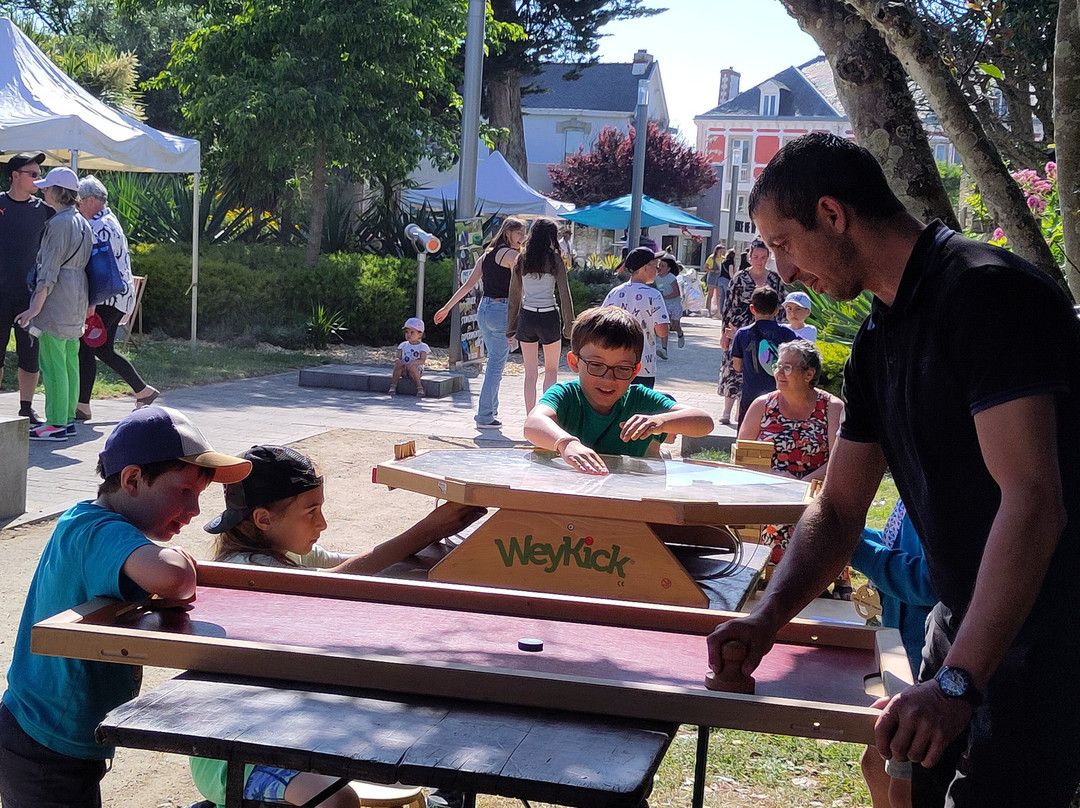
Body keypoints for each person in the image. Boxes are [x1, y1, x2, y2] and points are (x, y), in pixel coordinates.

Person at [707, 132, 1080, 808]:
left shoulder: (988, 294)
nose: (781, 271)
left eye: (784, 243)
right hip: (961, 619)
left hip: (1051, 638)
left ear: (832, 213)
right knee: (895, 778)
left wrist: (958, 684)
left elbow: (1033, 500)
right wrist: (767, 619)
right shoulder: (880, 335)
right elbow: (840, 508)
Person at [191, 444, 485, 807]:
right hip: (237, 751)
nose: (322, 523)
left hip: (285, 728)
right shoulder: (247, 570)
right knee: (337, 801)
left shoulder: (287, 553)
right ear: (263, 519)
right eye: (311, 511)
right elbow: (332, 584)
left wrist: (438, 554)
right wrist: (427, 530)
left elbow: (364, 566)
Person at [0, 405, 250, 807]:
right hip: (45, 744)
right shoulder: (97, 530)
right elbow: (173, 578)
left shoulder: (91, 524)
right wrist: (181, 562)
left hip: (52, 736)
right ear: (132, 479)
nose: (194, 510)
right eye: (184, 492)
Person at [524, 306, 713, 475]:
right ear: (574, 362)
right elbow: (533, 423)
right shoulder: (566, 395)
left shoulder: (641, 399)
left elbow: (704, 422)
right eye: (596, 365)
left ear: (635, 371)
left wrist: (661, 421)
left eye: (622, 369)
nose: (609, 378)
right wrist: (566, 444)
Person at [851, 500, 936, 808]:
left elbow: (930, 582)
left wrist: (859, 551)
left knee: (904, 792)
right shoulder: (913, 489)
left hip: (928, 670)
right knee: (875, 766)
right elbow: (894, 543)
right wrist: (849, 532)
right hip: (901, 662)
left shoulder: (942, 494)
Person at [737, 339, 843, 585]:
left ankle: (816, 583)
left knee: (821, 516)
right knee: (772, 517)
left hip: (817, 492)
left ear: (809, 374)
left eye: (787, 368)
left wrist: (803, 485)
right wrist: (777, 481)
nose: (778, 372)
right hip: (769, 493)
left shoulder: (832, 408)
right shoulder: (762, 405)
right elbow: (743, 458)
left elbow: (839, 460)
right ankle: (765, 577)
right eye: (778, 366)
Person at [15, 166, 93, 442]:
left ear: (60, 192)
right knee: (70, 360)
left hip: (57, 298)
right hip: (77, 294)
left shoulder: (59, 223)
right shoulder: (82, 221)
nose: (44, 191)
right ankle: (67, 419)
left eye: (48, 188)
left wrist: (35, 307)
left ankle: (56, 423)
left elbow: (48, 270)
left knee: (52, 363)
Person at [74, 175, 159, 421]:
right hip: (118, 298)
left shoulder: (98, 226)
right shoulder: (109, 220)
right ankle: (143, 390)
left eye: (79, 202)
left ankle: (83, 406)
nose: (76, 207)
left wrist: (91, 303)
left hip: (106, 298)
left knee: (85, 348)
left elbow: (98, 268)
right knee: (103, 349)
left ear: (91, 200)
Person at [433, 217, 526, 429]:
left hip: (484, 310)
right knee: (496, 365)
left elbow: (467, 286)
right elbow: (524, 285)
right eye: (519, 233)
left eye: (524, 233)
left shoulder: (486, 256)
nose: (522, 237)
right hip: (502, 310)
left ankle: (491, 411)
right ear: (508, 232)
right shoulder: (513, 256)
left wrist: (447, 307)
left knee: (495, 362)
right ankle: (485, 416)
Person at [1, 152, 51, 425]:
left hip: (29, 297)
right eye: (33, 174)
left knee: (30, 356)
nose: (38, 179)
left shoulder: (44, 209)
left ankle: (26, 408)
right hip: (0, 295)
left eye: (40, 175)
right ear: (15, 176)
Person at [506, 218, 574, 413]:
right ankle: (546, 415)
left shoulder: (522, 259)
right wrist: (569, 325)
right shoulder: (555, 260)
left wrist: (511, 328)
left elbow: (514, 296)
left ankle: (530, 416)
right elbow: (564, 293)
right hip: (549, 316)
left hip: (527, 317)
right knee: (551, 371)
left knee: (530, 373)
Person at [717, 239, 787, 425]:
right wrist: (724, 333)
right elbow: (729, 305)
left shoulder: (775, 279)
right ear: (749, 257)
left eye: (763, 257)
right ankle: (727, 410)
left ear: (768, 258)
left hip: (766, 329)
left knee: (759, 367)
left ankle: (744, 411)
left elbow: (781, 305)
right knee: (734, 366)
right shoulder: (739, 278)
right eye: (755, 257)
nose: (759, 261)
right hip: (739, 328)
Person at [729, 286, 798, 430]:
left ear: (752, 309)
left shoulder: (742, 334)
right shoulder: (787, 334)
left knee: (747, 434)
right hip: (779, 395)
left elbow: (737, 366)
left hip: (750, 395)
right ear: (777, 310)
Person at [601, 247, 669, 388]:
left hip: (614, 363)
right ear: (644, 268)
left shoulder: (614, 293)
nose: (657, 270)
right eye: (655, 266)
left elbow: (601, 324)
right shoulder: (653, 295)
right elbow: (662, 331)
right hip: (643, 365)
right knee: (640, 400)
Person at [388, 316, 429, 397]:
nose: (408, 334)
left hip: (416, 370)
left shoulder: (423, 346)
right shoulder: (402, 345)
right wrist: (398, 361)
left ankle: (419, 387)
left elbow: (422, 360)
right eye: (407, 332)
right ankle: (393, 386)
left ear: (420, 334)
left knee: (413, 367)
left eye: (412, 332)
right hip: (404, 368)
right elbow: (398, 357)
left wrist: (413, 363)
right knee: (397, 366)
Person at [655, 255, 684, 356]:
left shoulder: (671, 278)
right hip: (664, 305)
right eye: (660, 265)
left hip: (674, 303)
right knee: (665, 325)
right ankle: (664, 349)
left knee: (675, 325)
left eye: (663, 266)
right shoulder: (656, 278)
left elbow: (676, 293)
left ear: (668, 269)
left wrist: (665, 297)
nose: (660, 268)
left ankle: (680, 333)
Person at [703, 245, 728, 317]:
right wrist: (713, 270)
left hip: (719, 278)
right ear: (717, 250)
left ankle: (718, 311)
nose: (721, 252)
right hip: (712, 277)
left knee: (719, 295)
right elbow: (705, 268)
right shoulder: (711, 258)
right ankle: (708, 310)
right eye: (720, 250)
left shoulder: (723, 258)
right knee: (710, 294)